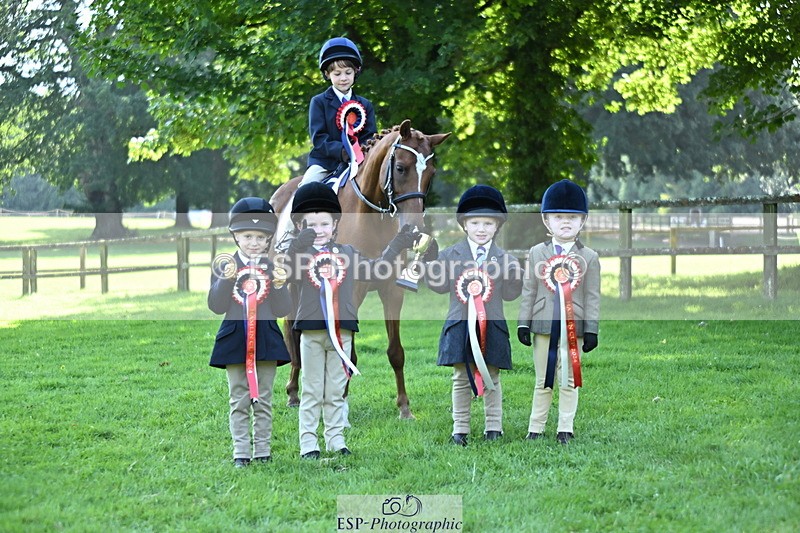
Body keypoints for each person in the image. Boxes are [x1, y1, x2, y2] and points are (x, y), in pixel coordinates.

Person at [283, 182, 417, 459]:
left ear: (335, 226)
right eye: (311, 225)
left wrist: (396, 245)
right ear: (300, 227)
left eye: (325, 224)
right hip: (311, 334)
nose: (319, 230)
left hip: (342, 334)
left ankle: (335, 439)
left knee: (334, 390)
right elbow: (285, 271)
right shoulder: (301, 257)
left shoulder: (348, 254)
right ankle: (309, 443)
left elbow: (378, 270)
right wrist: (296, 247)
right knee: (311, 391)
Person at [422, 185, 523, 446]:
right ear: (464, 224)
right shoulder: (450, 255)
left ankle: (493, 427)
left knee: (492, 376)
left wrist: (516, 275)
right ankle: (460, 429)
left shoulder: (505, 258)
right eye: (475, 222)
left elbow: (511, 294)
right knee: (460, 378)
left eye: (488, 223)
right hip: (460, 326)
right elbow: (439, 284)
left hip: (493, 327)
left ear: (497, 226)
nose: (481, 228)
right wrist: (427, 262)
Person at [208, 197, 292, 467]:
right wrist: (227, 278)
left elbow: (282, 310)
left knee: (264, 398)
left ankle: (263, 451)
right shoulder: (224, 265)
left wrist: (280, 284)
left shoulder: (273, 267)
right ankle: (241, 452)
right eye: (247, 236)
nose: (254, 242)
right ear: (235, 236)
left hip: (266, 339)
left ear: (268, 240)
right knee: (239, 398)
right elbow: (215, 305)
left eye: (260, 237)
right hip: (235, 339)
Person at [517, 179, 601, 445]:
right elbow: (529, 290)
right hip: (542, 325)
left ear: (582, 221)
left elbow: (592, 296)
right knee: (543, 379)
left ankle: (565, 427)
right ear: (546, 221)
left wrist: (591, 329)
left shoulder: (589, 257)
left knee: (569, 379)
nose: (566, 222)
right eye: (559, 217)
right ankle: (536, 427)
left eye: (572, 217)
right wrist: (523, 323)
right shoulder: (535, 253)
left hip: (573, 326)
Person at [299, 37, 377, 187]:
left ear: (356, 71)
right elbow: (319, 138)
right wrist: (343, 151)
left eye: (348, 72)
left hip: (360, 161)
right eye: (337, 74)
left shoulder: (365, 104)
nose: (343, 78)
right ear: (327, 74)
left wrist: (359, 152)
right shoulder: (319, 102)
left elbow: (370, 137)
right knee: (307, 187)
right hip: (325, 163)